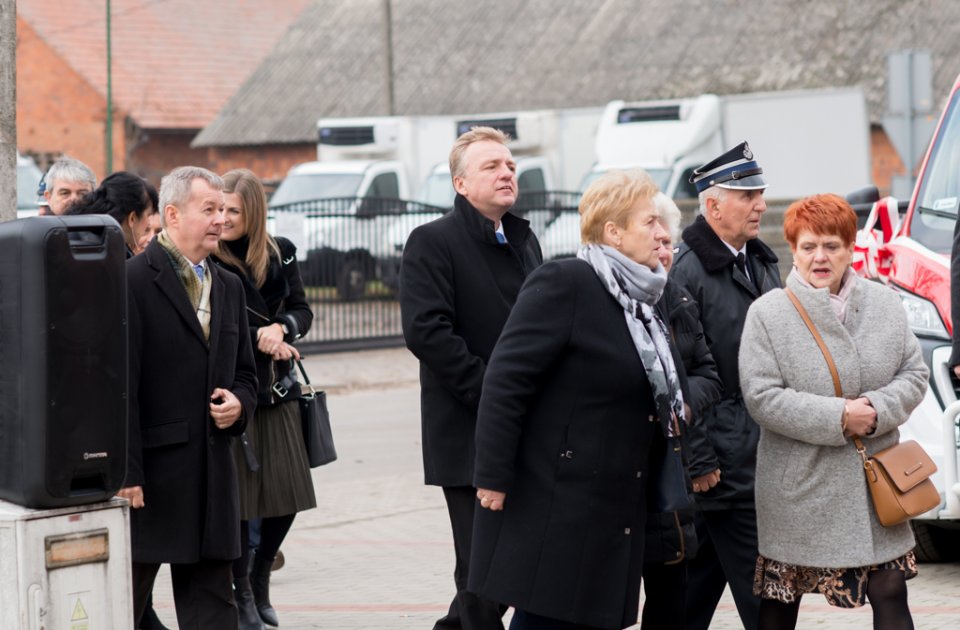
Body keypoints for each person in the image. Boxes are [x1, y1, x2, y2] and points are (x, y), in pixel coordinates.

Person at [470, 169, 682, 630]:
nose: (662, 232)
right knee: (549, 616)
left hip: (618, 497)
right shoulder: (567, 282)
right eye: (649, 222)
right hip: (559, 498)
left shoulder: (646, 300)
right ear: (614, 232)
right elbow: (506, 381)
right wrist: (492, 475)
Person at [738, 194, 928, 629]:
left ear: (849, 247)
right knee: (782, 598)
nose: (820, 257)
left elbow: (913, 374)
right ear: (793, 249)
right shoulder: (767, 314)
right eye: (808, 247)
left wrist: (876, 409)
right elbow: (762, 396)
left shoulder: (884, 304)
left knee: (890, 587)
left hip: (874, 482)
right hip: (799, 487)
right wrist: (839, 416)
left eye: (831, 246)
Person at [400, 126, 542, 630]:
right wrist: (495, 396)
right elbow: (427, 332)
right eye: (491, 166)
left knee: (510, 562)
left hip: (526, 429)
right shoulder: (433, 242)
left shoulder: (524, 242)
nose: (506, 173)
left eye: (509, 165)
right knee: (482, 565)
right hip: (468, 432)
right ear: (461, 184)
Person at [119, 166, 258, 629]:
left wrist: (239, 404)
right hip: (152, 483)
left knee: (215, 608)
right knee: (123, 606)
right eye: (210, 209)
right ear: (172, 215)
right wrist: (127, 472)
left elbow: (245, 374)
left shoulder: (231, 287)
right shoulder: (131, 282)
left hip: (214, 479)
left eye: (223, 209)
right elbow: (120, 386)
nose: (221, 219)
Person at [668, 141, 780, 630]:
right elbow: (678, 374)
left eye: (760, 193)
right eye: (747, 195)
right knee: (768, 601)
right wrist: (699, 458)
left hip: (757, 453)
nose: (760, 204)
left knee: (690, 598)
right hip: (723, 465)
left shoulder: (761, 261)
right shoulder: (686, 271)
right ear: (712, 205)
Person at [212, 168, 316, 630]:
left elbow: (302, 309)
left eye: (234, 210)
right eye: (218, 209)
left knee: (288, 493)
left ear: (254, 211)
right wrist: (259, 335)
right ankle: (241, 593)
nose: (225, 218)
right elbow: (214, 319)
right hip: (238, 387)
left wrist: (283, 329)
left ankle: (260, 575)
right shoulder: (211, 256)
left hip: (280, 389)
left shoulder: (280, 253)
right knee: (241, 498)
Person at [641, 193, 722, 630]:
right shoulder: (608, 298)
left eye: (668, 243)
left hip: (675, 467)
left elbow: (708, 371)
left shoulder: (678, 297)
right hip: (630, 468)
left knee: (673, 585)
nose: (663, 251)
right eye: (654, 242)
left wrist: (681, 401)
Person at [67, 171, 159, 257]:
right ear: (132, 218)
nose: (148, 223)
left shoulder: (72, 234)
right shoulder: (112, 257)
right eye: (148, 215)